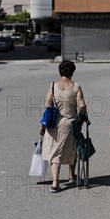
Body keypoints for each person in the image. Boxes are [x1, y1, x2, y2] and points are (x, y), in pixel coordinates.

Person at [40, 60, 86, 193]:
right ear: (72, 72)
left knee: (55, 153)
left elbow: (48, 105)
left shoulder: (53, 86)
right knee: (72, 149)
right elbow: (81, 105)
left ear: (60, 71)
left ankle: (55, 182)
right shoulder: (76, 86)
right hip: (70, 123)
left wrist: (43, 125)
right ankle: (72, 175)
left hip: (54, 123)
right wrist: (81, 116)